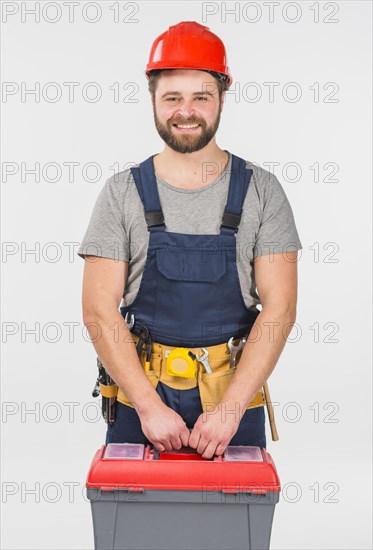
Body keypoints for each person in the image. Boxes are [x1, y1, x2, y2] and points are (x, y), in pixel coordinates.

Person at [77, 21, 302, 459]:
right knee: (135, 523)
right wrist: (148, 405)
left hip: (233, 400)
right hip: (137, 398)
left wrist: (230, 410)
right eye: (172, 98)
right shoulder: (121, 192)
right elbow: (98, 310)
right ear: (152, 98)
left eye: (201, 96)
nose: (186, 111)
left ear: (222, 95)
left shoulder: (262, 191)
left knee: (231, 525)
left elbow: (281, 308)